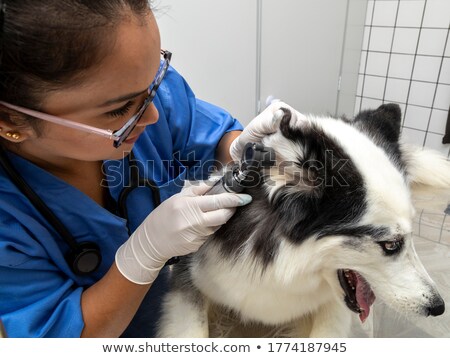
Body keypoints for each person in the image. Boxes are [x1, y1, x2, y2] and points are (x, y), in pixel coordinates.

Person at [0, 0, 292, 338]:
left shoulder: (138, 89)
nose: (153, 115)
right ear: (10, 121)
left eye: (155, 80)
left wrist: (245, 150)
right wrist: (142, 255)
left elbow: (213, 137)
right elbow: (60, 337)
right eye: (121, 109)